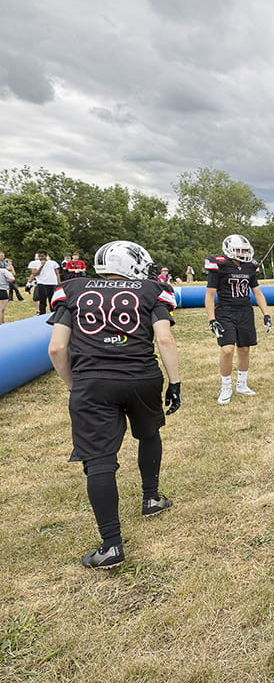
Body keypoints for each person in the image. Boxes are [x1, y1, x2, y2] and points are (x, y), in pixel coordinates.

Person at [46, 240, 182, 569]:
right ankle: (151, 497)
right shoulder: (152, 291)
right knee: (148, 434)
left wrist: (74, 385)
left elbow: (56, 348)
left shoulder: (73, 289)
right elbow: (163, 338)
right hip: (141, 377)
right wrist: (175, 383)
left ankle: (111, 545)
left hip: (93, 382)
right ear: (133, 264)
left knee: (100, 462)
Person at [205, 234, 273, 405]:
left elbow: (257, 292)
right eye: (239, 250)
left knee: (244, 349)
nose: (242, 253)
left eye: (244, 250)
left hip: (244, 311)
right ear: (228, 250)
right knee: (227, 349)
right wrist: (212, 319)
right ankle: (226, 386)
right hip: (225, 311)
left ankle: (242, 384)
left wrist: (266, 314)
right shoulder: (219, 265)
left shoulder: (250, 267)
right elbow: (209, 295)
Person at [28, 250, 62, 315]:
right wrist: (41, 266)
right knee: (42, 301)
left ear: (46, 256)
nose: (40, 258)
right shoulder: (34, 263)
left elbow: (57, 273)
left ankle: (54, 314)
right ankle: (42, 314)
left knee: (52, 300)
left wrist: (59, 283)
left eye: (42, 256)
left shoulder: (53, 263)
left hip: (53, 283)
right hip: (42, 283)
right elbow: (35, 273)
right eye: (39, 256)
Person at [0, 258, 15, 323]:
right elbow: (12, 278)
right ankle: (1, 323)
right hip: (2, 290)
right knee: (1, 309)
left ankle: (2, 322)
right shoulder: (3, 271)